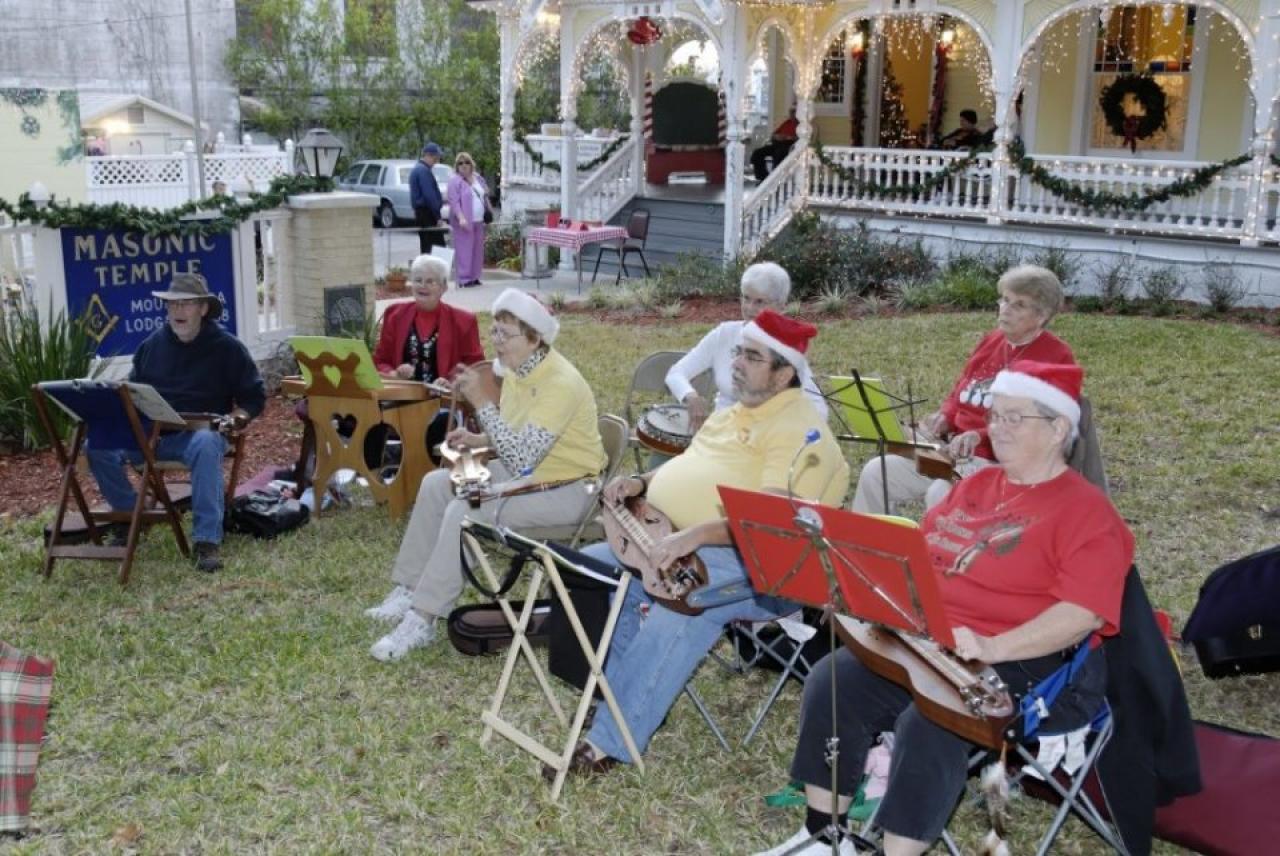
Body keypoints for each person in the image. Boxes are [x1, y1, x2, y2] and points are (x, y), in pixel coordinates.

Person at [756, 361, 1134, 856]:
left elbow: (1081, 615)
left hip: (1028, 660)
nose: (996, 427)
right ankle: (825, 836)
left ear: (1059, 427)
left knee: (931, 722)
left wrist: (993, 645)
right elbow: (921, 562)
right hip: (935, 641)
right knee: (835, 679)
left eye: (1013, 417)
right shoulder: (974, 486)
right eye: (994, 415)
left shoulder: (1087, 512)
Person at [553, 310, 849, 776]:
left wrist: (696, 534)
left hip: (757, 567)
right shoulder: (732, 410)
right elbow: (691, 465)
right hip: (666, 534)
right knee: (585, 571)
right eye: (739, 352)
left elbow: (771, 523)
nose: (737, 363)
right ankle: (621, 696)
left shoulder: (798, 428)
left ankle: (613, 738)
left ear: (784, 372)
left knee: (682, 601)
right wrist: (641, 482)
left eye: (752, 356)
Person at [365, 289, 606, 661]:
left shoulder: (560, 383)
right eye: (494, 331)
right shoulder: (515, 370)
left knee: (466, 509)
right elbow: (517, 436)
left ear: (534, 338)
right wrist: (479, 436)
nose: (496, 342)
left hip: (570, 489)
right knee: (435, 484)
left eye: (506, 335)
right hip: (529, 474)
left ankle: (422, 618)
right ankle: (409, 588)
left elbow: (523, 458)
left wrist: (480, 404)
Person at [850, 264, 1075, 515]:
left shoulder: (1056, 358)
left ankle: (937, 554)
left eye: (1019, 305)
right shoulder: (992, 340)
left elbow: (1038, 426)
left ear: (1042, 315)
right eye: (1005, 300)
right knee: (876, 472)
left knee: (941, 492)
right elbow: (962, 387)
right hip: (950, 454)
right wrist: (945, 416)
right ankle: (872, 552)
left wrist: (978, 435)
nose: (1005, 309)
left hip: (997, 463)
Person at [86, 273, 265, 573]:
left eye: (187, 304)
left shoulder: (227, 347)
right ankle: (131, 516)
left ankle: (207, 541)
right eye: (173, 305)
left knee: (208, 444)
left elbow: (254, 397)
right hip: (150, 433)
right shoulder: (151, 346)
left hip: (199, 434)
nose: (178, 311)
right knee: (96, 445)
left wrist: (235, 420)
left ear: (203, 309)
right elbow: (134, 393)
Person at [666, 261, 828, 435]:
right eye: (746, 298)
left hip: (763, 439)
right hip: (720, 433)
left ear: (781, 306)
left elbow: (819, 410)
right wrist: (690, 396)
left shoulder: (787, 349)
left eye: (759, 302)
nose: (750, 308)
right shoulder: (724, 334)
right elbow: (676, 373)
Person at [446, 152, 493, 288]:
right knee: (464, 249)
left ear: (471, 164)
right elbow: (454, 202)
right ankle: (464, 279)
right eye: (460, 163)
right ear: (456, 166)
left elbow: (485, 196)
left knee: (478, 250)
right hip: (464, 221)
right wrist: (461, 217)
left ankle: (475, 276)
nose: (464, 165)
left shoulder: (478, 178)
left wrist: (489, 212)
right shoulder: (455, 181)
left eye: (466, 162)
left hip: (479, 220)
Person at [410, 142, 446, 253]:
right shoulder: (423, 171)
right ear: (428, 155)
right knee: (437, 247)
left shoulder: (417, 169)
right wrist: (437, 216)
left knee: (426, 245)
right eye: (435, 158)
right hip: (427, 213)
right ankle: (436, 270)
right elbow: (429, 195)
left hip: (421, 213)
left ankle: (427, 269)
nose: (436, 161)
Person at [750, 107, 800, 181]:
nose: (792, 115)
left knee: (779, 153)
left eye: (793, 113)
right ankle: (763, 177)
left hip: (788, 146)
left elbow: (799, 139)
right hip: (776, 144)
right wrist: (776, 136)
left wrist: (787, 137)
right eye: (791, 113)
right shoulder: (787, 122)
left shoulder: (800, 125)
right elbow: (773, 135)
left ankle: (775, 178)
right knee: (757, 152)